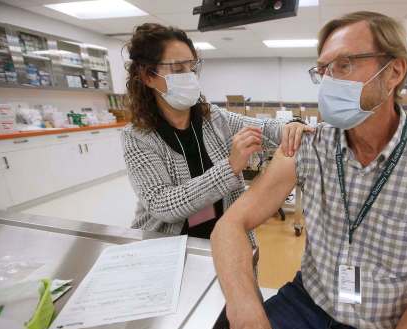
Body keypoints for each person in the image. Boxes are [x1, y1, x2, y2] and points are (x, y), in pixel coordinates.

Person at [210, 11, 407, 329]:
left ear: (394, 72)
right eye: (323, 69)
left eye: (345, 64)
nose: (328, 81)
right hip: (307, 307)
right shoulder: (310, 145)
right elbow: (230, 225)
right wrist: (247, 317)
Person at [121, 23, 312, 242]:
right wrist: (230, 167)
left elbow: (267, 129)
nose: (190, 76)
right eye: (177, 69)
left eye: (192, 68)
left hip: (225, 237)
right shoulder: (137, 137)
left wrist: (293, 126)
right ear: (148, 76)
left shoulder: (213, 118)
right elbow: (163, 204)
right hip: (170, 245)